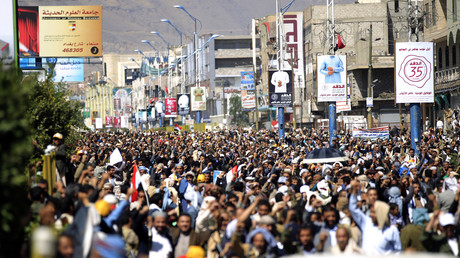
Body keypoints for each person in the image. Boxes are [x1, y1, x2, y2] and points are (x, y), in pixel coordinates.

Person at [349, 180, 402, 255]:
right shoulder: (367, 223)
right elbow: (353, 209)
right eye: (372, 212)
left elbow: (398, 251)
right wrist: (354, 191)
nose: (371, 215)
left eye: (374, 212)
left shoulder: (391, 230)